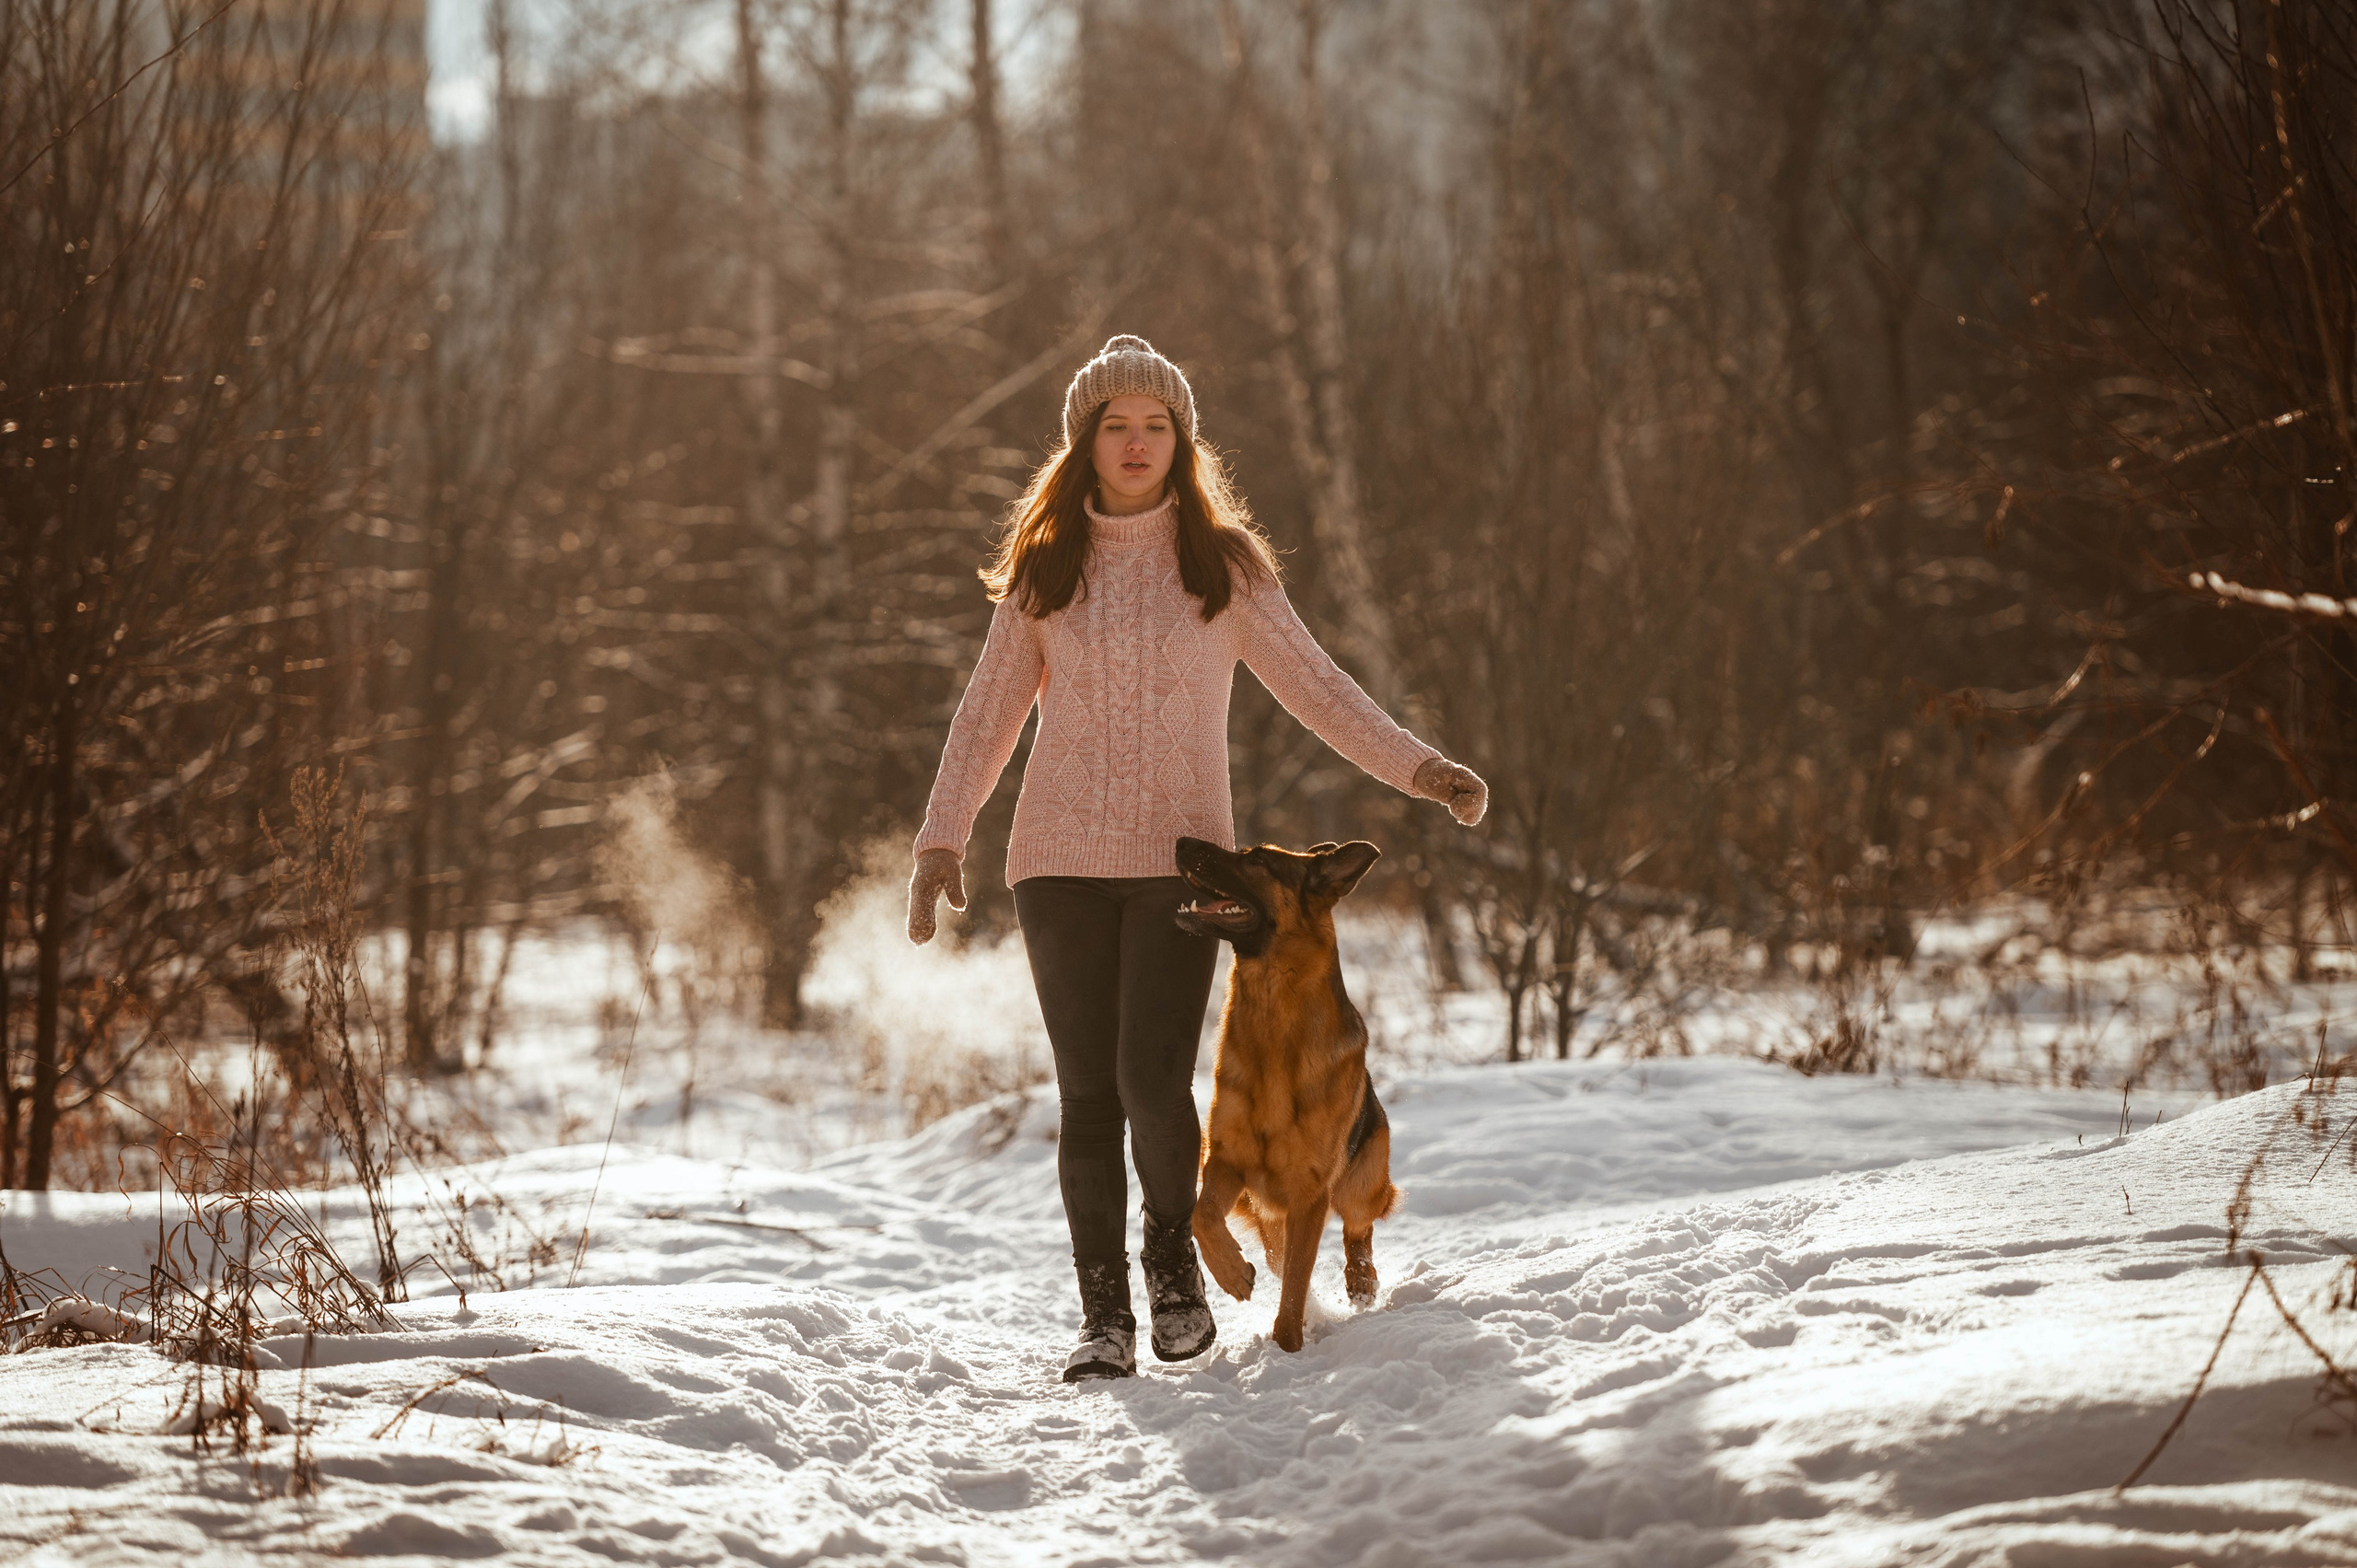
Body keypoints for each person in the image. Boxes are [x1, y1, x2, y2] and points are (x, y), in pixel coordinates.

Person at [904, 336, 1487, 1382]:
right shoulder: (1044, 568)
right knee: (1088, 1092)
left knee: (1151, 1077)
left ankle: (1170, 1262)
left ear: (1181, 440)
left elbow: (1317, 687)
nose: (1135, 444)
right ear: (1085, 441)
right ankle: (1102, 1317)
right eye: (1115, 425)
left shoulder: (1223, 566)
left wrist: (1420, 767)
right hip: (1056, 858)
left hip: (1183, 867)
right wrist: (941, 835)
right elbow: (983, 717)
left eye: (1155, 425)